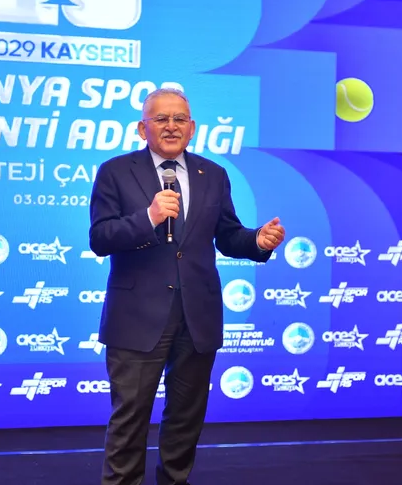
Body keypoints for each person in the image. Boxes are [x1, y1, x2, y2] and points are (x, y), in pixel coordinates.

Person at [88, 88, 285, 485]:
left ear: (192, 128)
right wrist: (148, 217)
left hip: (197, 317)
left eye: (180, 119)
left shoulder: (212, 174)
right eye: (161, 119)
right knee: (130, 419)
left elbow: (227, 235)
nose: (171, 126)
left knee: (186, 419)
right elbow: (100, 238)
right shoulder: (115, 171)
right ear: (142, 128)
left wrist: (257, 241)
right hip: (137, 318)